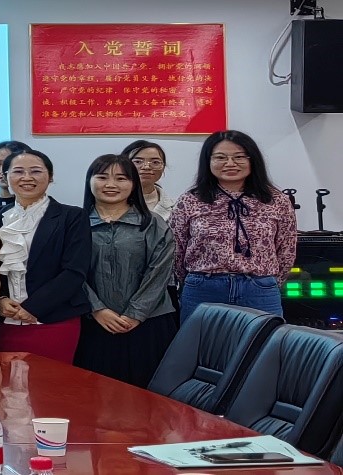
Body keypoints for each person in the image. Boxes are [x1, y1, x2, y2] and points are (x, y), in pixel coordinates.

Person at [170, 130, 297, 321]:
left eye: (239, 157)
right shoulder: (190, 200)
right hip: (203, 289)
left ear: (253, 160)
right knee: (203, 341)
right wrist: (191, 281)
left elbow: (286, 249)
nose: (230, 163)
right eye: (220, 157)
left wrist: (268, 282)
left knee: (262, 340)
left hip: (259, 290)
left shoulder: (277, 201)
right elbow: (176, 249)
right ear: (208, 161)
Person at [74, 154, 177, 388]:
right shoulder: (75, 223)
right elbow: (71, 272)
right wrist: (97, 309)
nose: (111, 184)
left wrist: (135, 314)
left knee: (147, 397)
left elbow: (159, 273)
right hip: (93, 325)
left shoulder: (153, 223)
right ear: (89, 181)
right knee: (94, 396)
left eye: (121, 178)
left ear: (133, 184)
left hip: (149, 324)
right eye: (102, 177)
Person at [0, 148, 91, 363]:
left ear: (50, 177)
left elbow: (74, 271)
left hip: (54, 320)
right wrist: (0, 300)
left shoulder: (72, 216)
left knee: (51, 381)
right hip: (3, 321)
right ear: (5, 177)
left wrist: (33, 307)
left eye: (36, 171)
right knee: (3, 381)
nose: (27, 177)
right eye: (18, 171)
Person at [122, 140, 176, 221]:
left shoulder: (176, 207)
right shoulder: (109, 203)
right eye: (138, 162)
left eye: (155, 162)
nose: (146, 167)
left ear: (163, 167)